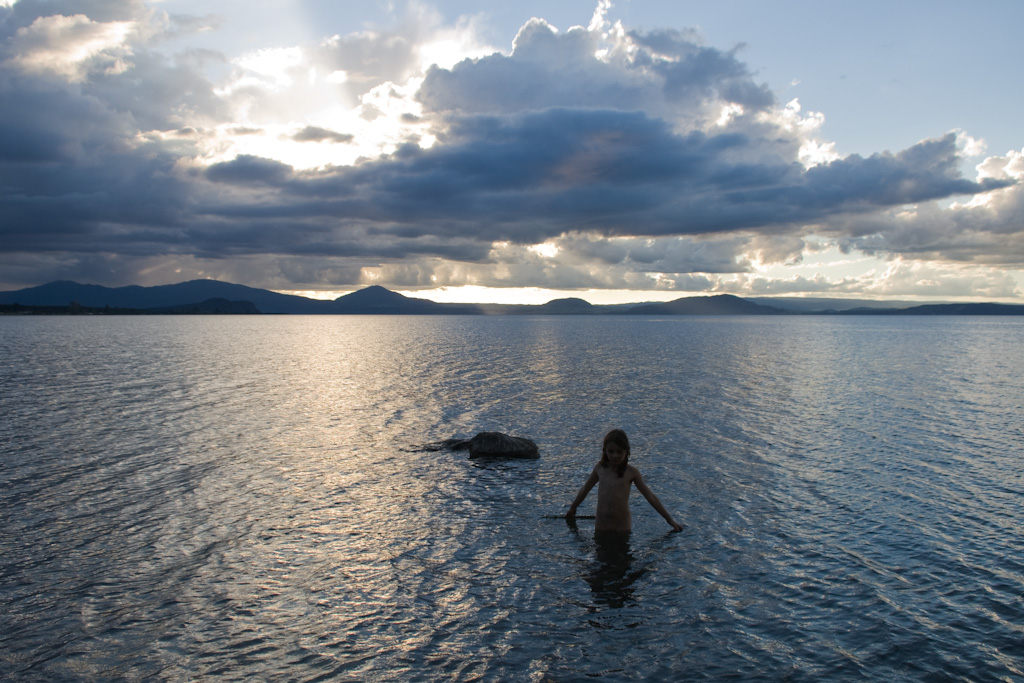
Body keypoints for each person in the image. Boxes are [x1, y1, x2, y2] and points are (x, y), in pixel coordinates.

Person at [566, 429, 683, 532]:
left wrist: (669, 519)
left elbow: (650, 497)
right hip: (601, 525)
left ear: (626, 452)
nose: (615, 456)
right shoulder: (600, 469)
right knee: (601, 556)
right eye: (611, 451)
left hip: (622, 527)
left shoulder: (631, 473)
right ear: (605, 451)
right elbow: (585, 489)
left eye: (619, 452)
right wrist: (573, 507)